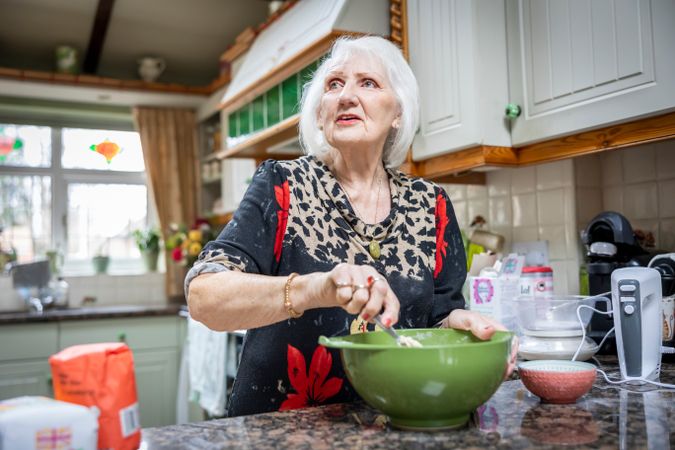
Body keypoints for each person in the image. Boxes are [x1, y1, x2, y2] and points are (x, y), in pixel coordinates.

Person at [186, 35, 516, 417]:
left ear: (398, 113)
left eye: (369, 83)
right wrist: (316, 287)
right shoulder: (283, 185)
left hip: (396, 422)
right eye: (334, 84)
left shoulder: (432, 203)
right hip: (280, 432)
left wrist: (461, 325)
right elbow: (204, 297)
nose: (345, 96)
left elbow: (438, 317)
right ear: (320, 113)